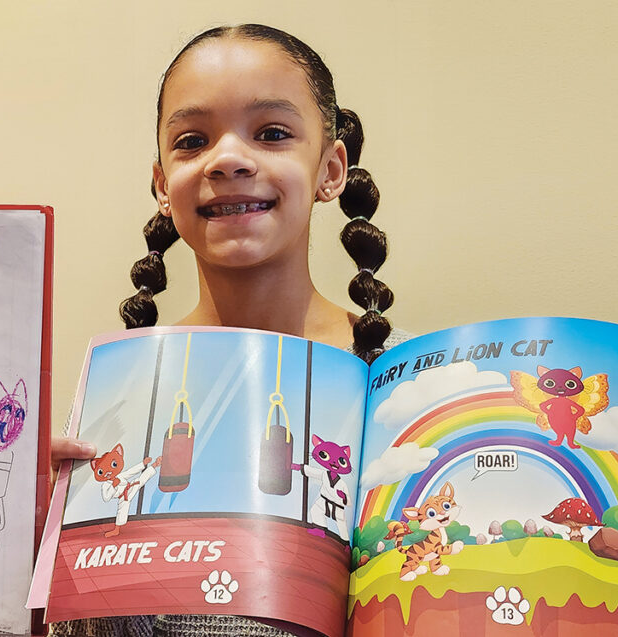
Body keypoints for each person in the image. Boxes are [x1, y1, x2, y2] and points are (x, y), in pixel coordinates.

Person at [50, 23, 411, 637]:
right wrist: (34, 543)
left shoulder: (403, 387)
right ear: (163, 183)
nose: (228, 159)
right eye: (192, 141)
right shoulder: (112, 403)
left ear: (331, 170)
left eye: (272, 133)